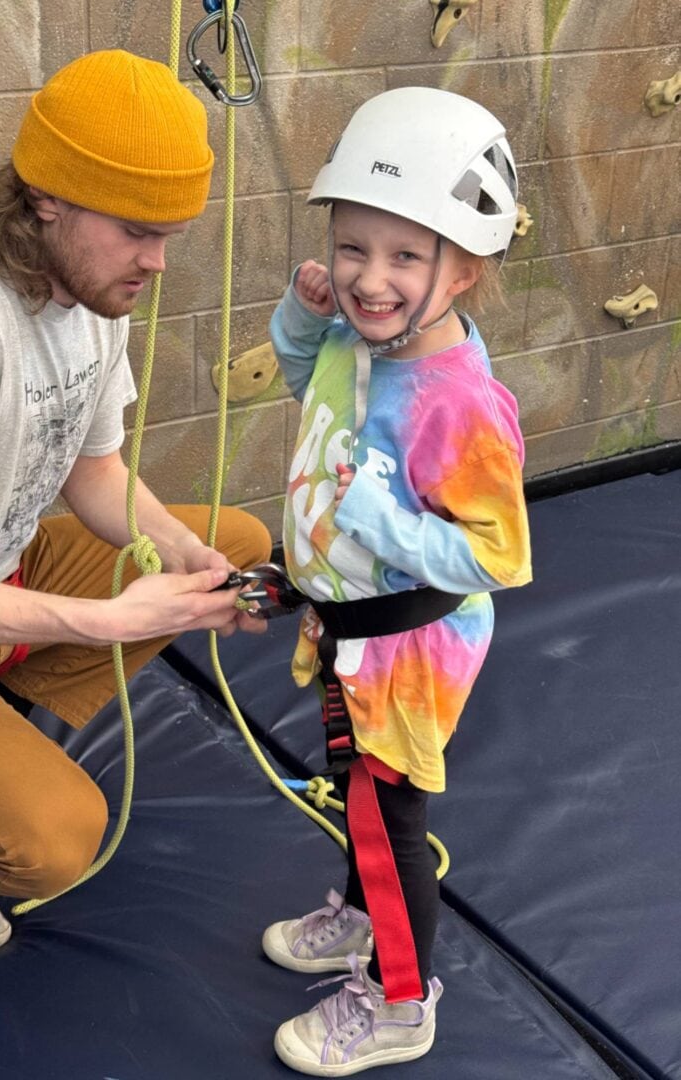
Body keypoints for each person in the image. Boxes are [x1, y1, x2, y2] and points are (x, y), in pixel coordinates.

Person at [0, 49, 271, 958]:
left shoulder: (89, 287)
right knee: (51, 842)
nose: (158, 263)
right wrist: (96, 621)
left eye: (171, 233)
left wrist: (172, 545)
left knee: (230, 542)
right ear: (47, 198)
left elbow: (92, 470)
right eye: (138, 230)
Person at [262, 86, 532, 1075]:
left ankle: (398, 1002)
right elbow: (308, 384)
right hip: (351, 631)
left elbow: (500, 554)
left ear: (463, 271)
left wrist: (378, 519)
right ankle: (360, 918)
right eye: (353, 248)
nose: (370, 280)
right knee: (358, 794)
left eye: (405, 257)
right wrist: (303, 315)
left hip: (406, 647)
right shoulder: (359, 338)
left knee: (386, 817)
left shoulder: (459, 404)